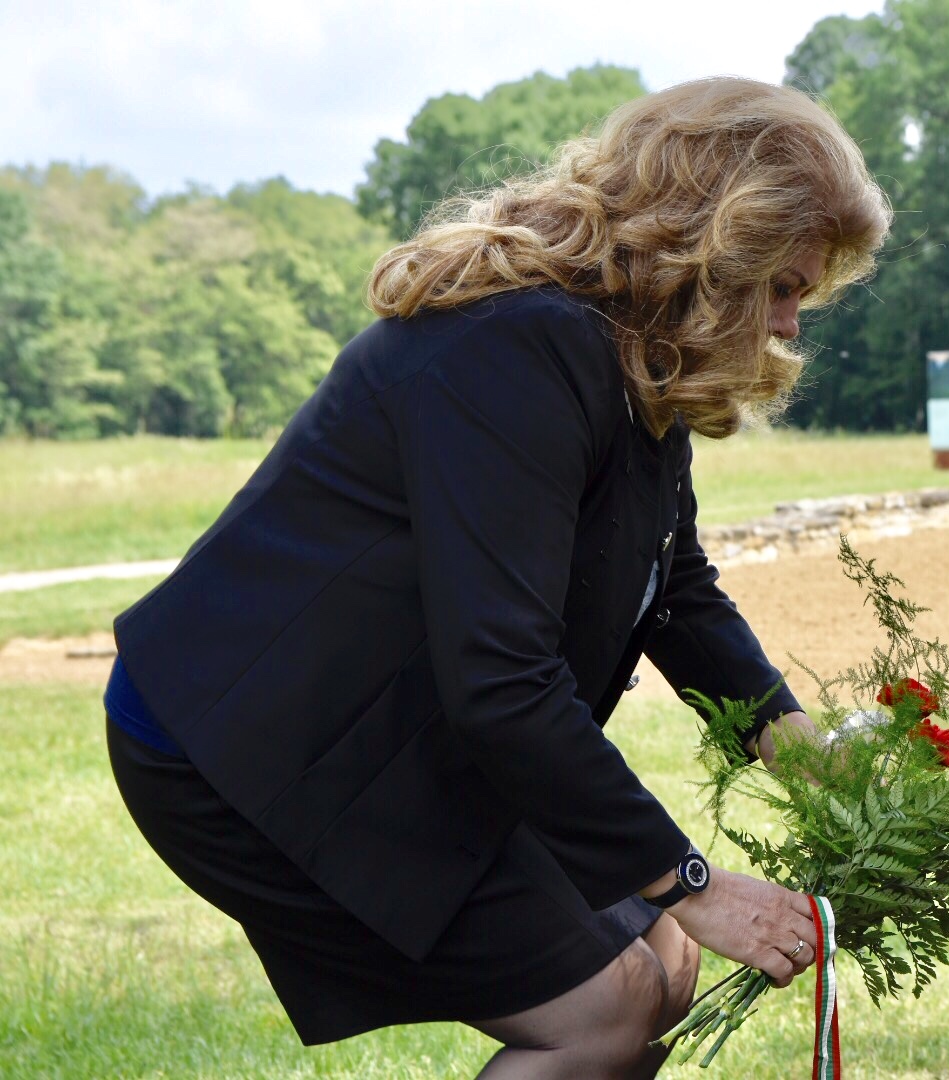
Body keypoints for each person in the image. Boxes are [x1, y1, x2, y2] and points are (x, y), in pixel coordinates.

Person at [104, 77, 890, 1078]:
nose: (788, 326)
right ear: (712, 246)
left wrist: (808, 760)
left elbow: (673, 586)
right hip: (248, 747)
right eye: (782, 286)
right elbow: (502, 680)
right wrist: (692, 878)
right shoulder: (522, 344)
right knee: (601, 1015)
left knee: (664, 960)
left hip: (391, 722)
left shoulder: (628, 353)